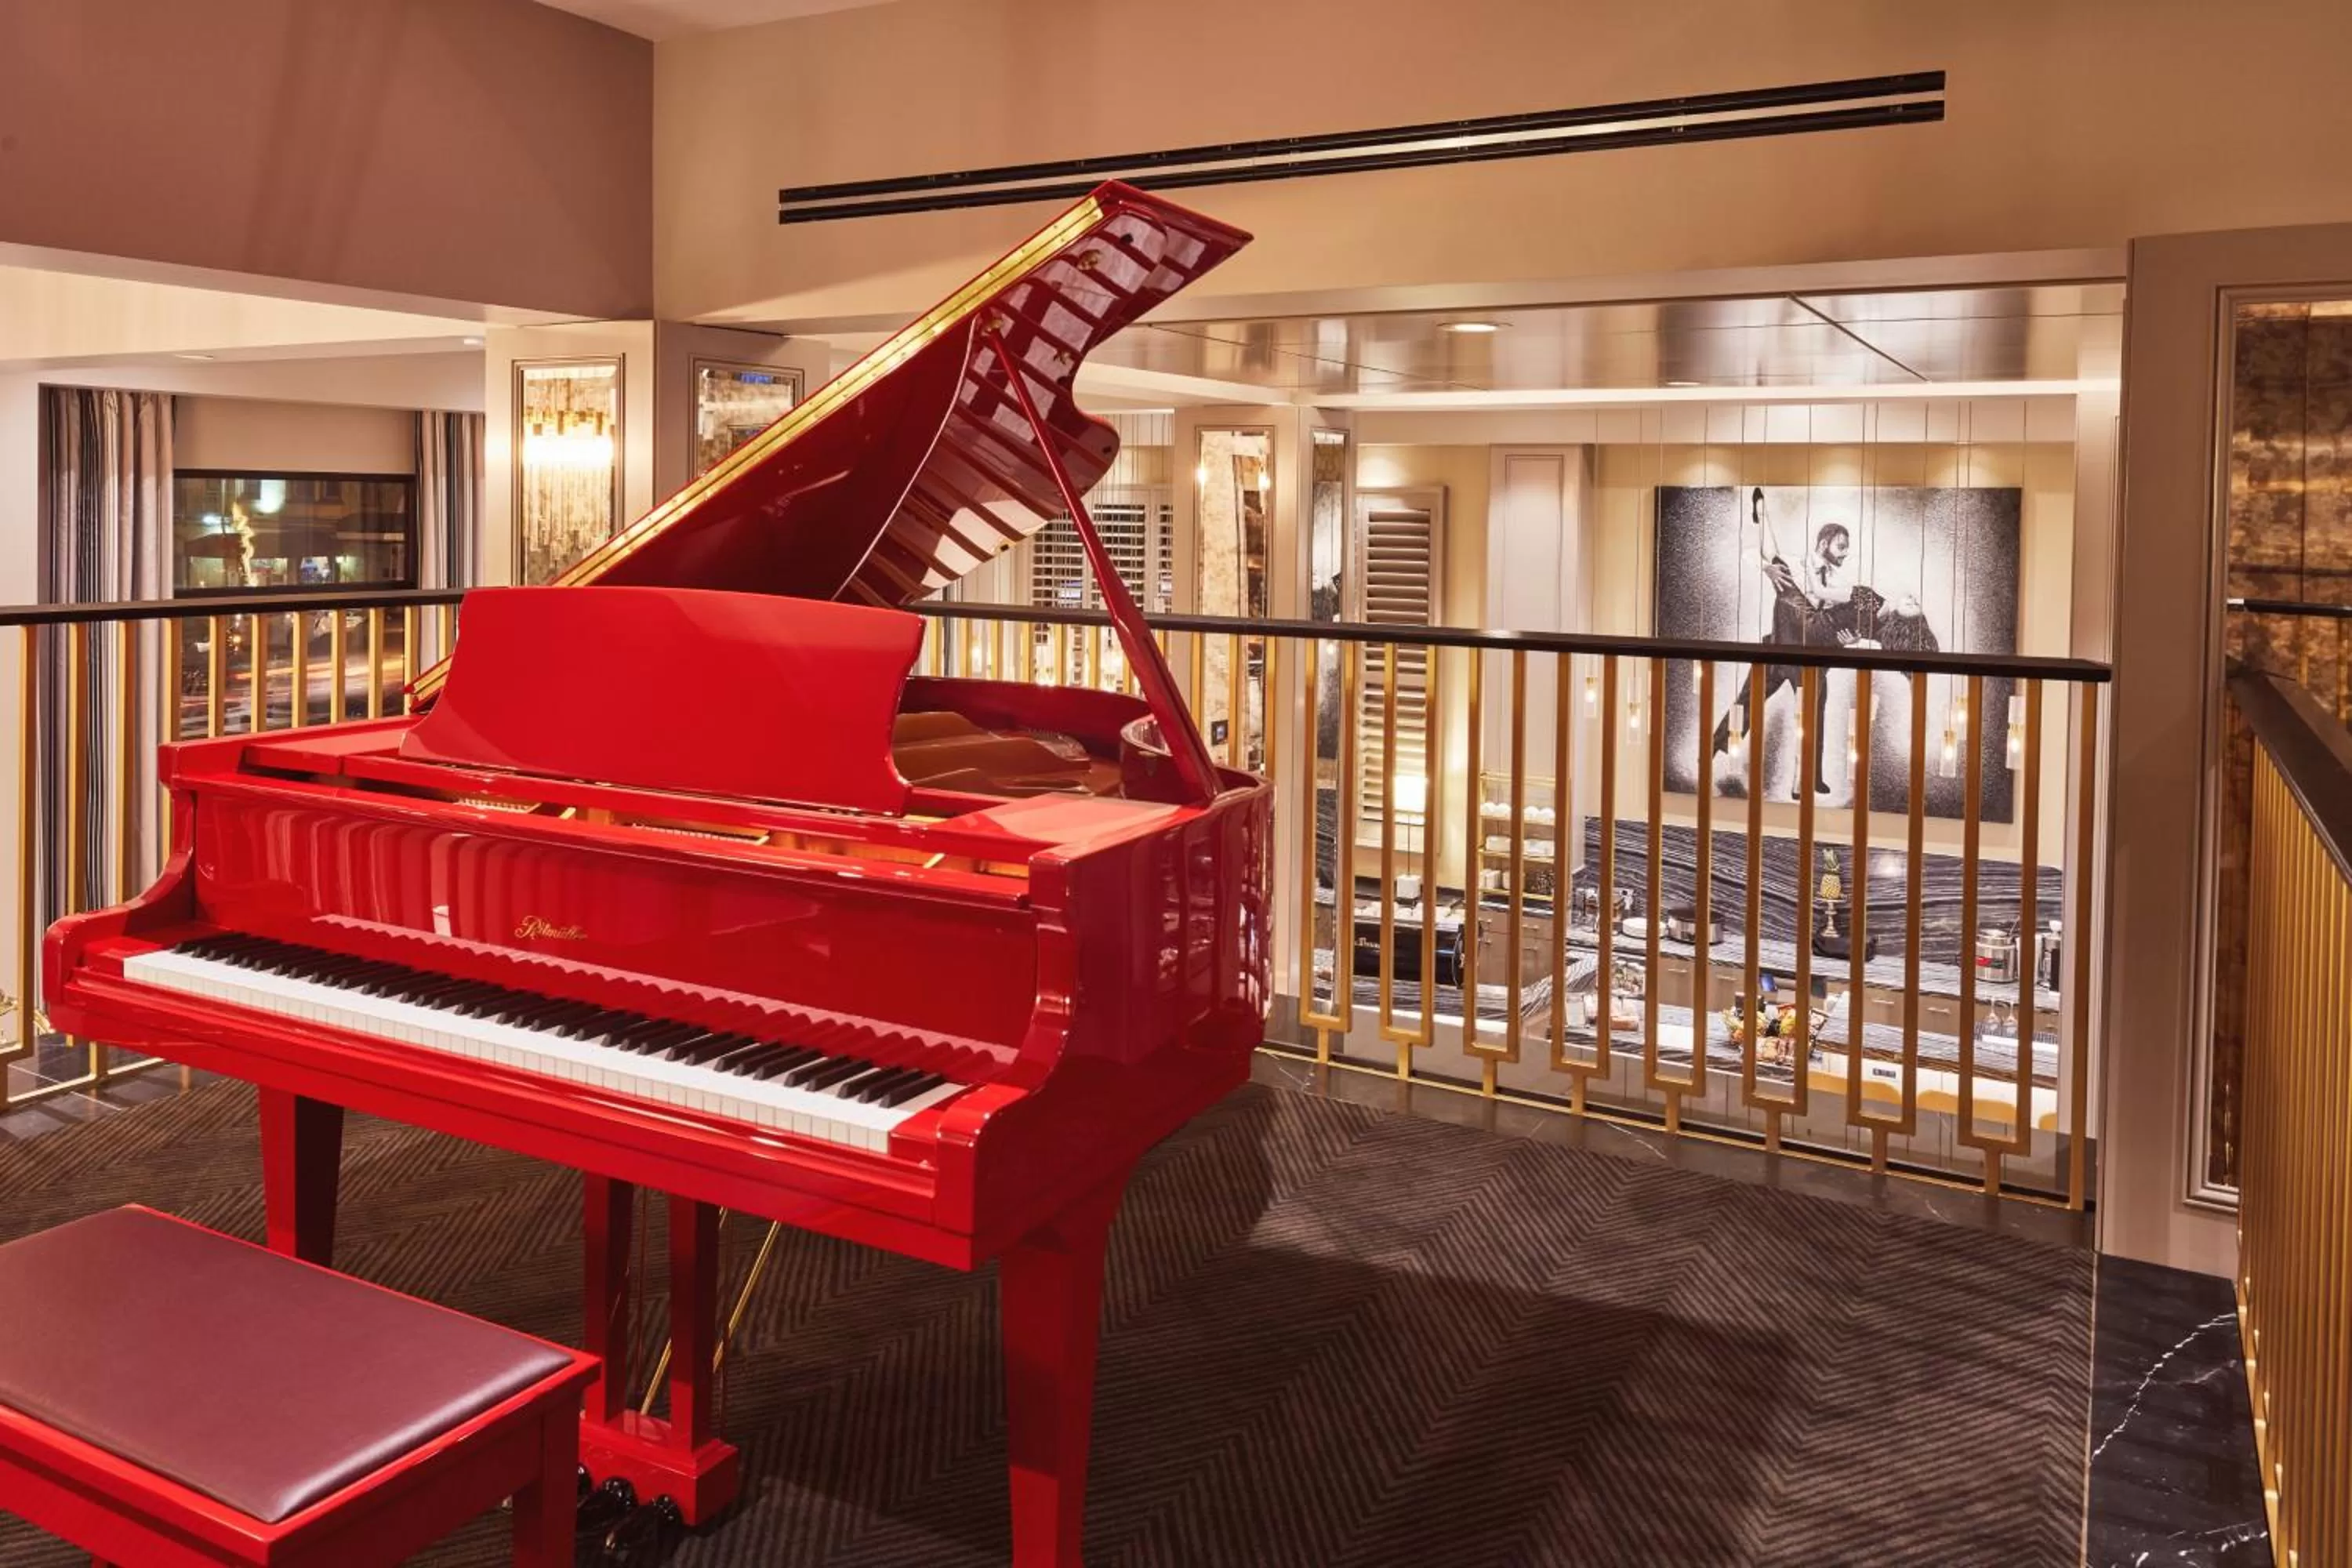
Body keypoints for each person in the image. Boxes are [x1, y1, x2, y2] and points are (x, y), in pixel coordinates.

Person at [1708, 487, 1854, 797]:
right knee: (1744, 706)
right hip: (1776, 649)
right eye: (1841, 546)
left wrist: (1849, 641)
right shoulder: (1792, 563)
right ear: (1824, 543)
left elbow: (1831, 626)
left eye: (1847, 548)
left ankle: (1807, 778)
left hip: (1811, 660)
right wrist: (1766, 565)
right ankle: (1711, 752)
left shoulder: (1839, 584)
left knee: (1814, 716)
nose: (1845, 553)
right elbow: (1756, 550)